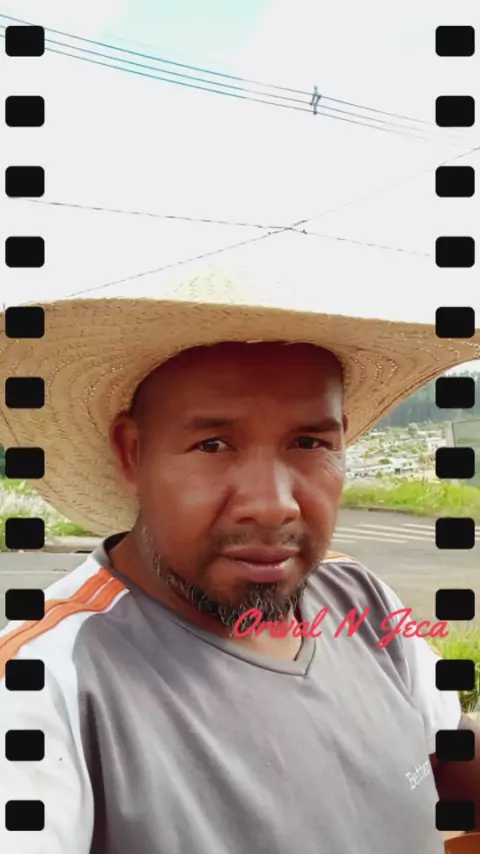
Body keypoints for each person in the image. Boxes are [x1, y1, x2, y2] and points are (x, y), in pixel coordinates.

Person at [0, 273, 479, 853]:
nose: (274, 505)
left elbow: (447, 753)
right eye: (213, 445)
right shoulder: (43, 683)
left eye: (309, 443)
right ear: (132, 453)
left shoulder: (357, 595)